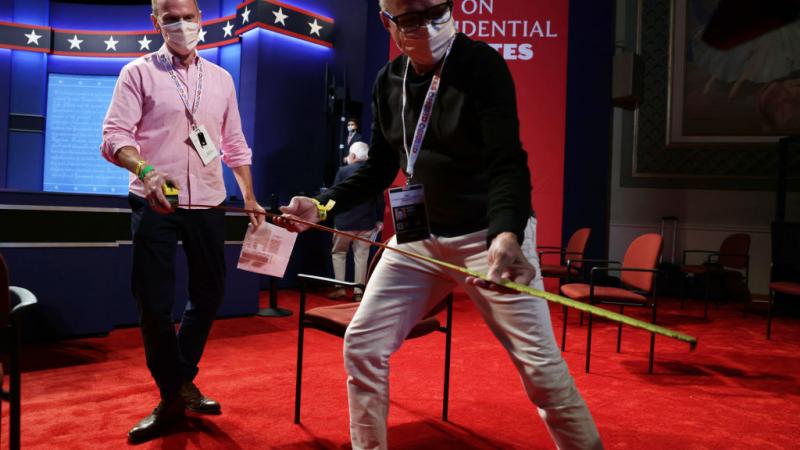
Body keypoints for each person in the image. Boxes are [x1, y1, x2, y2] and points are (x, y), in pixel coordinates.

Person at [278, 1, 603, 449]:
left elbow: (507, 161)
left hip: (489, 236)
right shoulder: (388, 80)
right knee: (363, 345)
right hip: (420, 239)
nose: (428, 27)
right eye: (411, 19)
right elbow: (378, 170)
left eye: (437, 11)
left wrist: (507, 232)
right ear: (386, 21)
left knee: (542, 371)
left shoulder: (481, 65)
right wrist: (322, 205)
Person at [101, 0, 265, 443]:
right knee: (153, 300)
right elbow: (114, 136)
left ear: (200, 19)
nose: (181, 25)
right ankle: (174, 392)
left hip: (209, 201)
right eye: (170, 17)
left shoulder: (222, 79)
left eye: (188, 16)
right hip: (154, 200)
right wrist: (146, 170)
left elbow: (234, 143)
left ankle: (176, 385)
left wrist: (250, 195)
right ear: (155, 21)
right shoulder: (137, 73)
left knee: (210, 292)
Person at [328, 142, 385, 302]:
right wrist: (379, 219)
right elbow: (380, 200)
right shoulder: (374, 174)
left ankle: (339, 289)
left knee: (339, 254)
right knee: (362, 257)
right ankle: (359, 292)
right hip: (366, 223)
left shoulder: (343, 171)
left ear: (353, 156)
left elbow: (334, 195)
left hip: (344, 223)